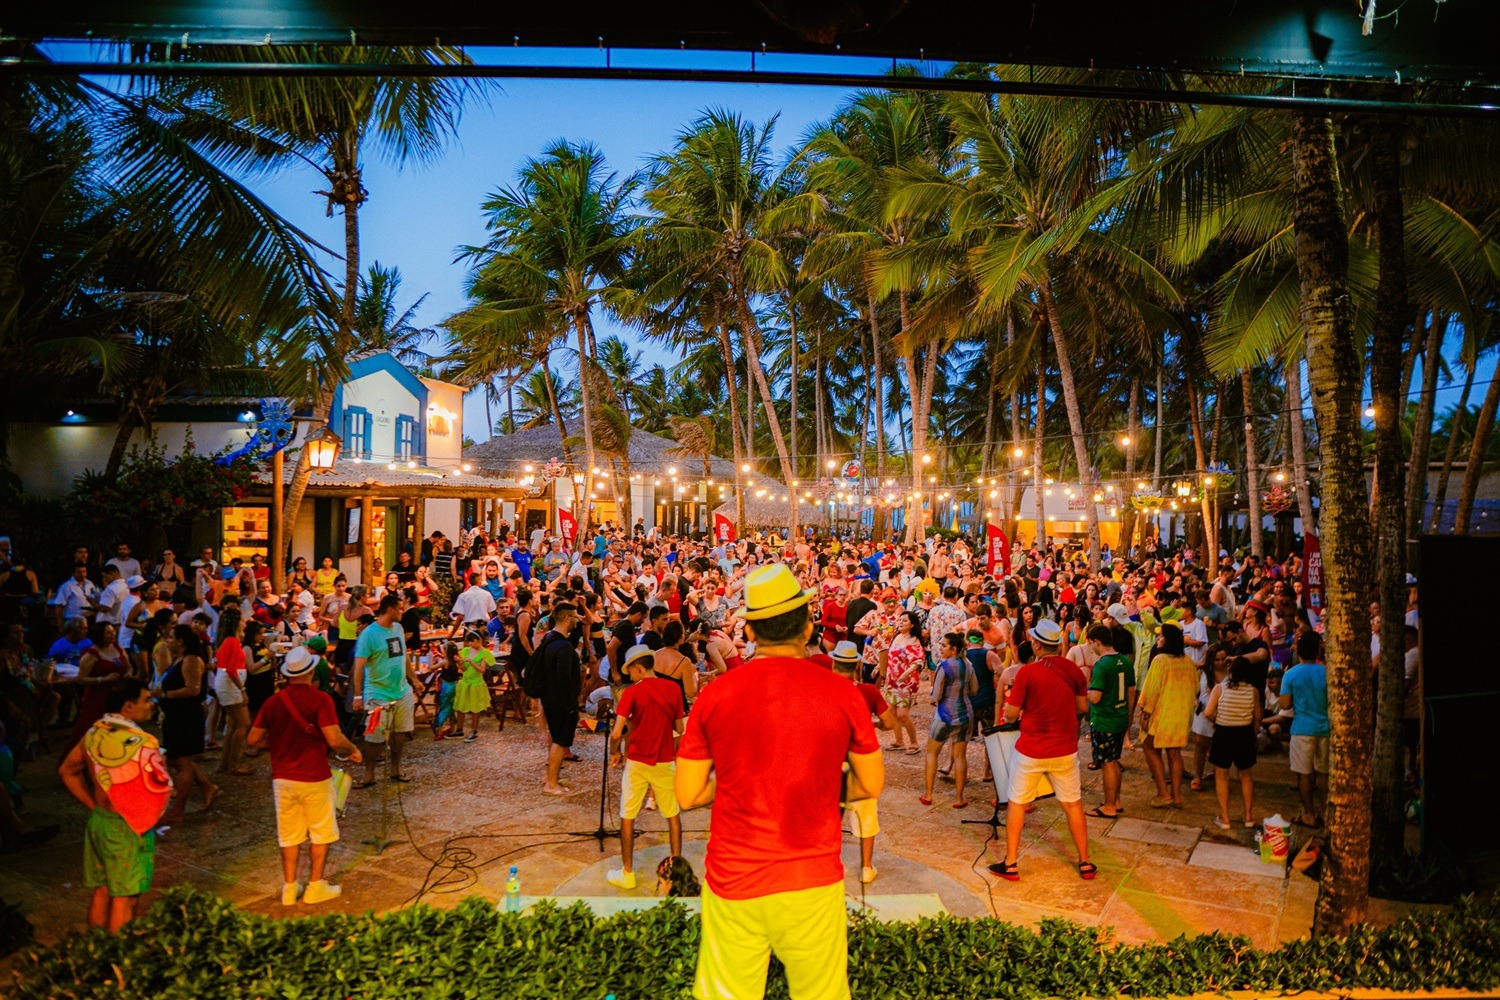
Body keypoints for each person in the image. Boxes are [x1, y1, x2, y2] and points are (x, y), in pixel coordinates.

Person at [675, 564, 882, 1000]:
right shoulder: (843, 693)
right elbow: (871, 783)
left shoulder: (715, 695)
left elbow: (688, 794)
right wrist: (822, 786)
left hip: (734, 878)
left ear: (749, 632)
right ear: (808, 628)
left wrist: (735, 782)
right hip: (812, 880)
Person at [247, 646, 363, 905]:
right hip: (314, 776)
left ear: (288, 674)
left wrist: (275, 745)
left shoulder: (273, 702)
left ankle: (289, 887)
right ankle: (315, 886)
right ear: (310, 672)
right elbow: (335, 740)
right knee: (321, 831)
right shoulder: (321, 700)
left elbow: (253, 739)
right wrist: (353, 751)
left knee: (289, 834)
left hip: (282, 778)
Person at [58, 679, 171, 931]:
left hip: (100, 823)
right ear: (128, 707)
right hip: (127, 828)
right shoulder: (142, 743)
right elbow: (159, 789)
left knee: (103, 890)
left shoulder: (93, 734)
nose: (152, 704)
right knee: (125, 898)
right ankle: (120, 952)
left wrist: (93, 805)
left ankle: (97, 948)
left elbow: (67, 771)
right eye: (146, 700)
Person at [988, 619, 1095, 883]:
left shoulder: (1027, 673)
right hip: (1065, 749)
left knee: (1017, 803)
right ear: (1056, 645)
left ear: (1037, 645)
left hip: (1031, 749)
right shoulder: (1073, 670)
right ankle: (1085, 862)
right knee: (1072, 804)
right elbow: (1083, 707)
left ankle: (1011, 863)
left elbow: (1011, 715)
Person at [607, 644, 685, 891]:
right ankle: (675, 873)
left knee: (628, 814)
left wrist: (615, 752)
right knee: (672, 814)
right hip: (665, 760)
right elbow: (680, 728)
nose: (630, 676)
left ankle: (627, 873)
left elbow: (616, 733)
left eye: (630, 671)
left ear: (638, 668)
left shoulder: (631, 693)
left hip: (637, 761)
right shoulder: (673, 689)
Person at [829, 640, 894, 885]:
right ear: (857, 665)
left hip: (832, 761)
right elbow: (889, 723)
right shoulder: (869, 691)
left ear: (834, 664)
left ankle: (831, 864)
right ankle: (866, 867)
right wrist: (871, 723)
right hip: (862, 760)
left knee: (830, 816)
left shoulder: (824, 689)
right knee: (866, 815)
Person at [351, 594, 424, 788]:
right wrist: (357, 695)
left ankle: (396, 768)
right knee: (373, 736)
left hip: (401, 689)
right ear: (390, 609)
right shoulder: (369, 634)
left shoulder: (398, 628)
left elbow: (403, 656)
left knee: (401, 732)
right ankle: (369, 773)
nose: (402, 611)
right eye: (399, 608)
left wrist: (414, 679)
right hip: (377, 692)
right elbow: (359, 667)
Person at [154, 625, 219, 824]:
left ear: (181, 641)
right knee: (175, 759)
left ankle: (178, 810)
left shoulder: (191, 660)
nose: (168, 641)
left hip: (185, 716)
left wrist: (165, 694)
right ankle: (207, 786)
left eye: (172, 637)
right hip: (175, 715)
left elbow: (193, 689)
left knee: (181, 761)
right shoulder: (179, 659)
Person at [1204, 655, 1262, 830]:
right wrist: (1255, 735)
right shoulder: (1253, 691)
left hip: (1224, 733)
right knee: (1246, 775)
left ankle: (1225, 817)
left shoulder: (1219, 689)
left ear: (1231, 671)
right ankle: (1248, 816)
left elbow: (1208, 712)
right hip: (1245, 734)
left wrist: (1216, 719)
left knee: (1222, 775)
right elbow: (1257, 716)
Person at [921, 633, 978, 810]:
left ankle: (928, 795)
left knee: (932, 753)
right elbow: (974, 689)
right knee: (960, 756)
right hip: (965, 713)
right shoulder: (968, 665)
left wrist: (932, 696)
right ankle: (960, 798)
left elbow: (936, 695)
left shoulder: (944, 666)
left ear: (953, 649)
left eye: (944, 645)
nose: (941, 648)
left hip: (945, 715)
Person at [1279, 631, 1329, 829]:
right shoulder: (1326, 671)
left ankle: (1308, 814)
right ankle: (1325, 813)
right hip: (1325, 728)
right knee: (1324, 773)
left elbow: (1284, 704)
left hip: (1302, 728)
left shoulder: (1291, 674)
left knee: (1304, 774)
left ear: (1298, 652)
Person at [1086, 625, 1136, 819]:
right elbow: (1131, 691)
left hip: (1104, 720)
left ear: (1097, 642)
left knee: (1107, 762)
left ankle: (1108, 806)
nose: (1090, 647)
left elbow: (1095, 697)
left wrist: (1085, 690)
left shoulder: (1102, 665)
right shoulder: (1125, 660)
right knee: (1114, 760)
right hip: (1120, 717)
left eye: (1090, 643)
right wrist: (1128, 715)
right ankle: (1116, 801)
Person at [535, 602, 583, 795]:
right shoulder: (563, 646)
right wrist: (571, 704)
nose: (577, 620)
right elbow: (564, 679)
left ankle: (550, 776)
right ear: (566, 618)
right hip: (561, 700)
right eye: (575, 617)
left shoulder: (549, 639)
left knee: (556, 737)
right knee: (561, 741)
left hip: (550, 697)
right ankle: (551, 784)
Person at [453, 631, 494, 742]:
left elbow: (482, 670)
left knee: (475, 708)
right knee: (460, 706)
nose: (471, 644)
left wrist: (471, 661)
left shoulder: (485, 653)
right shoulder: (466, 651)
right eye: (469, 642)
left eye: (473, 641)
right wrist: (460, 663)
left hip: (476, 683)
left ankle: (474, 730)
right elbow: (463, 669)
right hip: (465, 682)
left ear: (479, 640)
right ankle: (459, 729)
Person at [448, 574, 498, 638]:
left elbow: (460, 617)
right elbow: (490, 614)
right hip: (483, 628)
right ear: (479, 581)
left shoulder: (463, 596)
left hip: (470, 628)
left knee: (469, 644)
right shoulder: (487, 594)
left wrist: (451, 634)